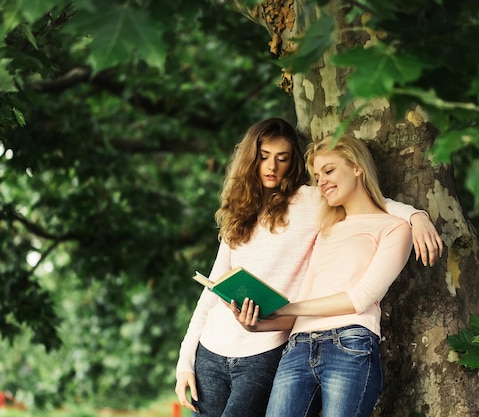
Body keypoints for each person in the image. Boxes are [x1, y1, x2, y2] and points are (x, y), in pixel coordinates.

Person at [175, 119, 442, 417]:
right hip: (214, 346)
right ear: (250, 158)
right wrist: (185, 361)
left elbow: (372, 203)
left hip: (267, 346)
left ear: (293, 163)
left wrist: (416, 216)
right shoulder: (240, 214)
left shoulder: (312, 200)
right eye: (263, 156)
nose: (271, 166)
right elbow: (211, 292)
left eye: (282, 158)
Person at [231, 134, 419, 417]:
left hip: (351, 343)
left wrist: (418, 216)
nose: (322, 182)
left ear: (357, 167)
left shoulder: (394, 228)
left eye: (329, 171)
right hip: (297, 347)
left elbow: (361, 297)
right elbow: (304, 303)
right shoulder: (325, 230)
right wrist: (256, 324)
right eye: (317, 176)